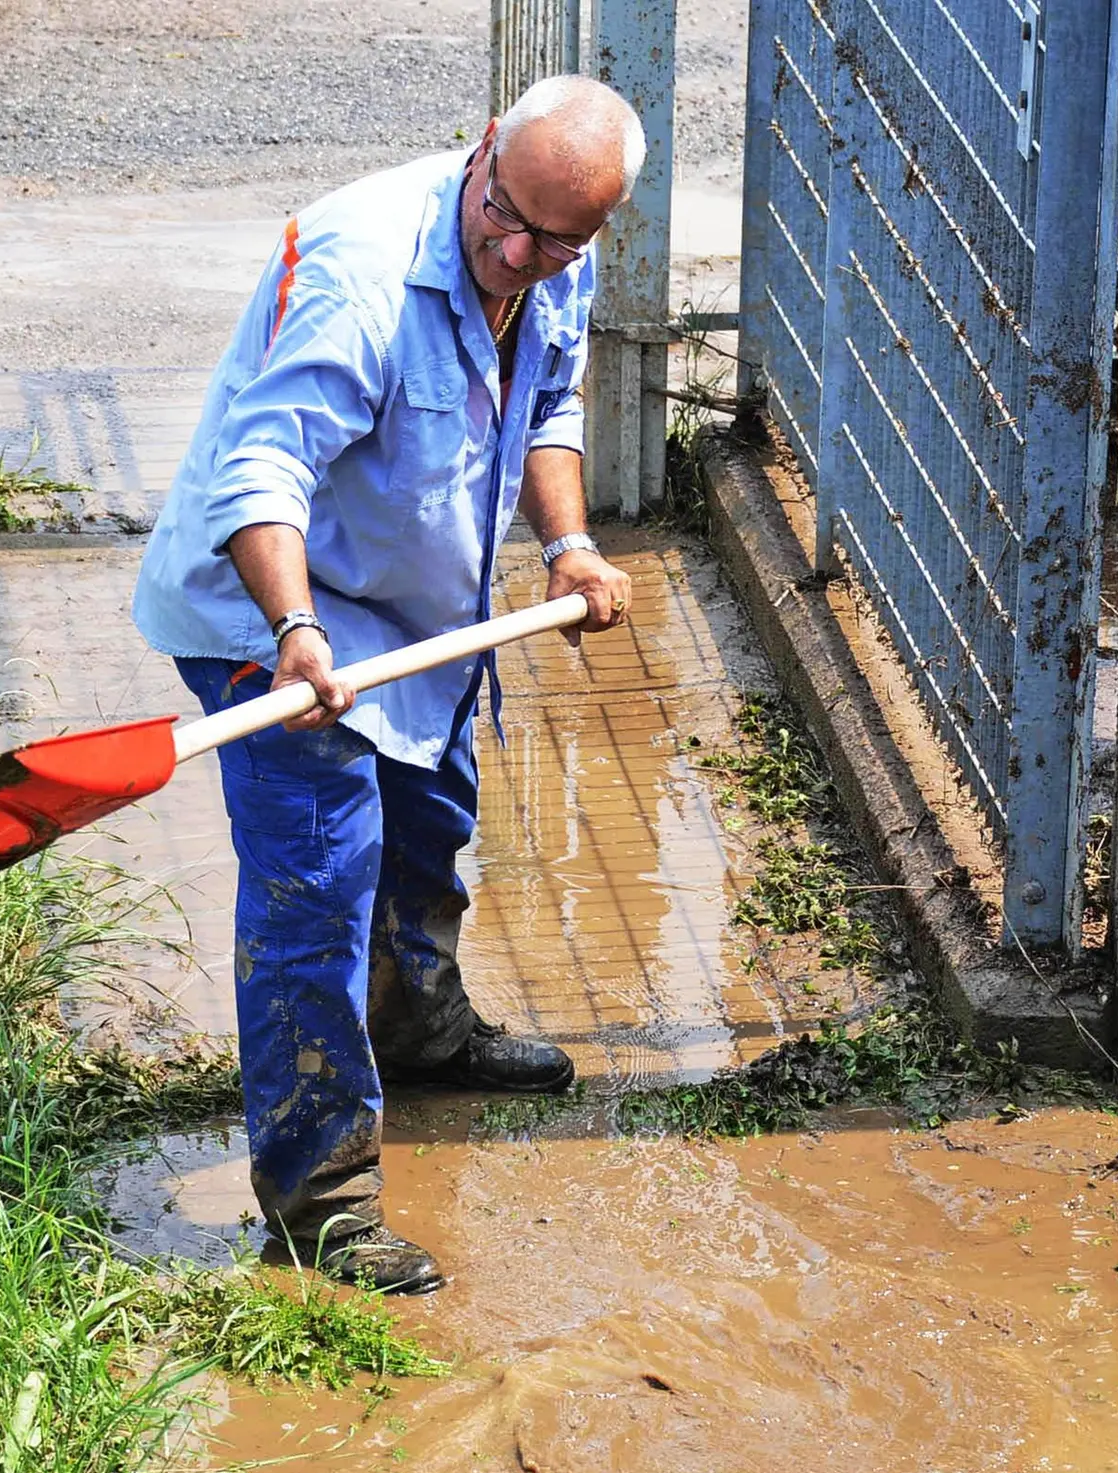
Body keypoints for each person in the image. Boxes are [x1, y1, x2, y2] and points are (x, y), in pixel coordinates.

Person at [131, 75, 645, 1294]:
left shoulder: (555, 254)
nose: (521, 254)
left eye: (559, 239)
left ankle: (419, 1028)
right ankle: (322, 1201)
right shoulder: (359, 269)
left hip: (416, 617)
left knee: (428, 818)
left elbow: (550, 405)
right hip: (274, 606)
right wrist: (296, 628)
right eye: (506, 220)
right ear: (481, 155)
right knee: (316, 882)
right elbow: (261, 467)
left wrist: (567, 544)